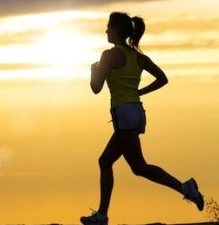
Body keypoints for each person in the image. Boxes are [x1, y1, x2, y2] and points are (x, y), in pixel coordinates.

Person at [80, 12, 204, 225]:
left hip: (123, 114)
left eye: (109, 27)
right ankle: (102, 215)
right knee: (125, 165)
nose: (106, 30)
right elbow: (162, 79)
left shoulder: (109, 55)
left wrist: (93, 71)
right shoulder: (138, 56)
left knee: (127, 164)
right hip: (137, 113)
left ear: (117, 30)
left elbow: (96, 88)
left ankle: (185, 188)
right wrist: (139, 93)